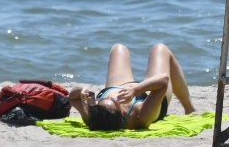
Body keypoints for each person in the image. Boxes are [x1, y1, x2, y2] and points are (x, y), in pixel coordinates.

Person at [68, 43, 196, 131]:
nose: (114, 98)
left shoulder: (93, 116)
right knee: (160, 49)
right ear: (123, 113)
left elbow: (73, 98)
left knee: (118, 48)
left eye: (99, 101)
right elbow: (163, 81)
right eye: (115, 101)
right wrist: (135, 90)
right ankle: (189, 108)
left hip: (119, 85)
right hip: (152, 93)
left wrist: (81, 90)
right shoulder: (140, 117)